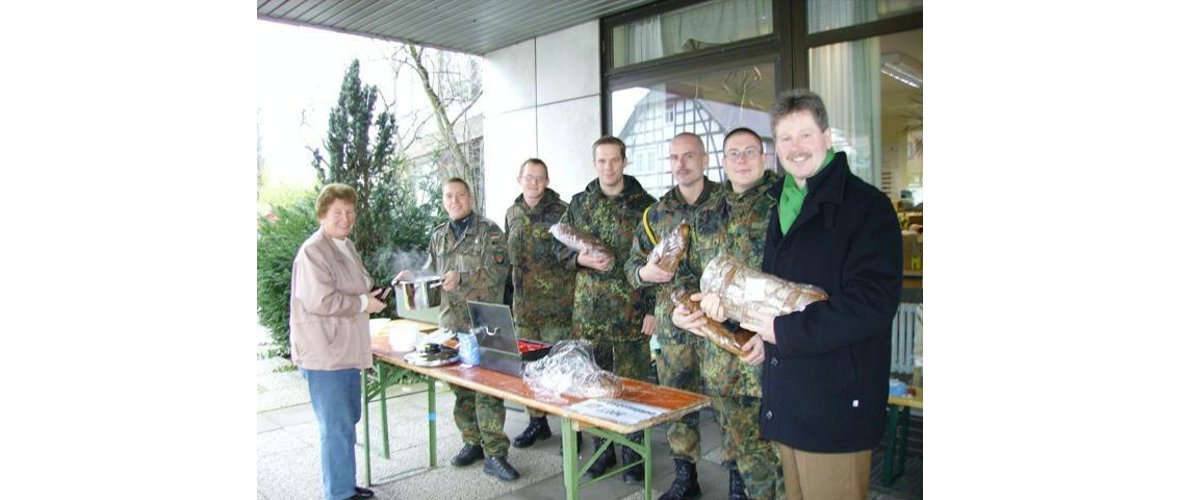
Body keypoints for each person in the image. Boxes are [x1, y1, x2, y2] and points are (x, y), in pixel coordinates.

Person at [701, 90, 903, 500]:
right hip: (789, 396)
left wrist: (784, 332)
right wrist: (760, 333)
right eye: (786, 139)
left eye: (806, 135)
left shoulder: (867, 207)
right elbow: (781, 297)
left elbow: (873, 306)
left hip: (835, 404)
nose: (796, 148)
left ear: (826, 137)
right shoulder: (783, 203)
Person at [671, 128, 785, 500]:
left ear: (764, 157)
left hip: (776, 357)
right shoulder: (706, 215)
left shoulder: (786, 204)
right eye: (732, 153)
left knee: (787, 462)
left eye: (749, 151)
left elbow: (801, 282)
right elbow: (684, 274)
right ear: (721, 161)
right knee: (747, 458)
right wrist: (686, 307)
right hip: (725, 362)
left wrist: (777, 335)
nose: (740, 159)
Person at [394, 178, 517, 481]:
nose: (454, 200)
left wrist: (461, 278)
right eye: (449, 196)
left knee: (489, 390)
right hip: (453, 322)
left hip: (488, 321)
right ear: (443, 200)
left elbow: (501, 271)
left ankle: (496, 454)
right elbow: (434, 273)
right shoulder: (439, 235)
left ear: (470, 198)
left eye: (460, 195)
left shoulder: (489, 231)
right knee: (461, 390)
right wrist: (414, 276)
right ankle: (472, 442)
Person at [624, 132, 723, 497]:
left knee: (731, 405)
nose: (681, 164)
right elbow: (632, 265)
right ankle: (686, 476)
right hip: (675, 328)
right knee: (677, 403)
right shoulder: (656, 213)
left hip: (722, 327)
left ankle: (741, 482)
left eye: (689, 156)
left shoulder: (729, 203)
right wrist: (644, 273)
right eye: (674, 157)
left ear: (705, 159)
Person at [556, 136, 657, 481]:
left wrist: (653, 309)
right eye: (602, 161)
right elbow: (559, 249)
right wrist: (578, 258)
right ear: (594, 162)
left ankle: (633, 456)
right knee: (592, 385)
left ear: (625, 162)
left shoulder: (646, 205)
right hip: (590, 313)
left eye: (614, 160)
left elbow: (658, 262)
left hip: (631, 311)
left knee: (631, 387)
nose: (608, 167)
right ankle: (601, 452)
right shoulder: (580, 204)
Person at [289, 183, 385, 500]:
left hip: (344, 350)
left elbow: (357, 286)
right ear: (322, 214)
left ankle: (343, 484)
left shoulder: (345, 245)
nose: (345, 218)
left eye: (350, 211)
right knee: (335, 427)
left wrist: (376, 294)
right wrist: (362, 304)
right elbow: (321, 300)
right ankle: (339, 494)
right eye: (337, 212)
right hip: (325, 354)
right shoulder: (313, 251)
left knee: (346, 422)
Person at [503, 158, 576, 449]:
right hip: (525, 308)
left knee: (562, 367)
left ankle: (573, 432)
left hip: (557, 306)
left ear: (547, 181)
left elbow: (573, 254)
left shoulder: (563, 211)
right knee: (530, 369)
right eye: (529, 177)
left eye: (540, 178)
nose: (534, 182)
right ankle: (537, 422)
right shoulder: (512, 213)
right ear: (519, 179)